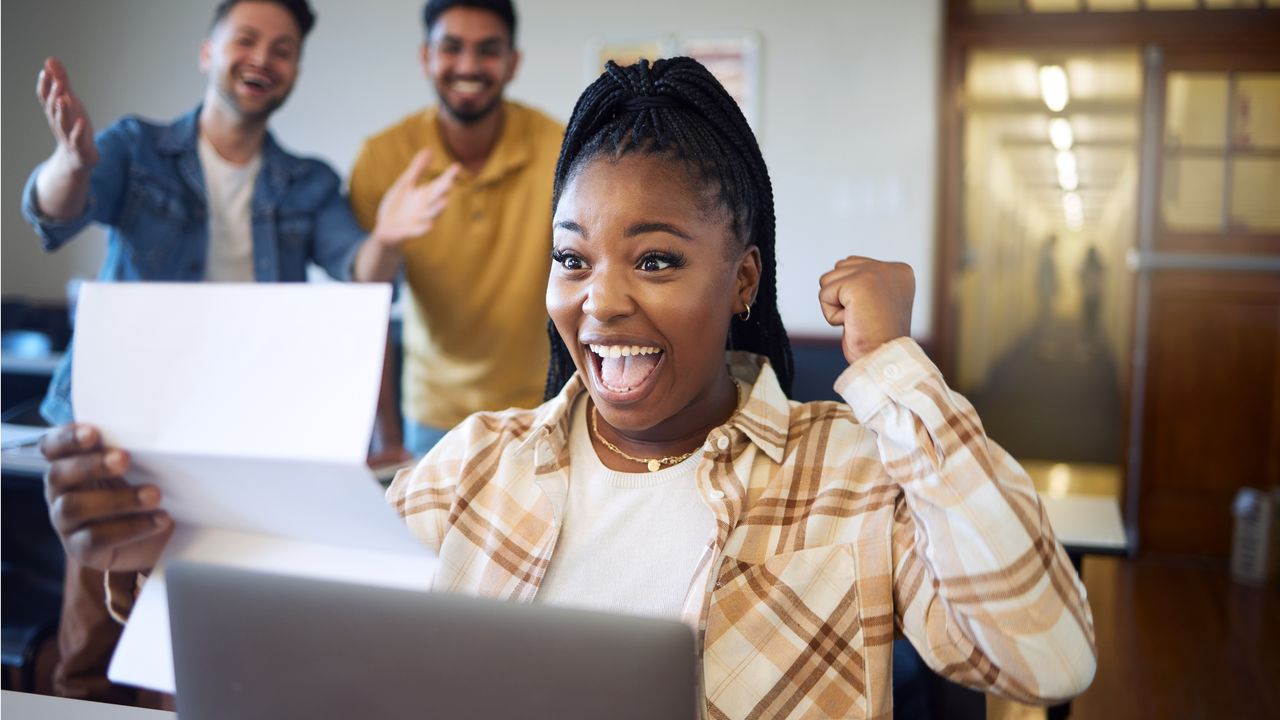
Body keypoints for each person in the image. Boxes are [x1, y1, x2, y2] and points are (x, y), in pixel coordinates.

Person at [40, 58, 1097, 717]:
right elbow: (291, 653)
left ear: (741, 281)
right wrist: (139, 559)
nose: (601, 303)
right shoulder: (474, 463)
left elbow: (1044, 654)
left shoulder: (848, 473)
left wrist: (893, 374)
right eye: (572, 258)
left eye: (655, 260)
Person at [22, 0, 449, 702]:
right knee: (90, 651)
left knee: (198, 647)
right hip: (119, 432)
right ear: (207, 51)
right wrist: (68, 163)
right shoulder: (135, 147)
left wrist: (391, 237)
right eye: (246, 39)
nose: (263, 58)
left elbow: (358, 272)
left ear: (295, 71)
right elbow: (56, 210)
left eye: (282, 49)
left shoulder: (307, 181)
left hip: (241, 442)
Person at [348, 0, 565, 461]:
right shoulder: (383, 157)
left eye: (487, 50)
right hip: (431, 415)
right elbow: (367, 301)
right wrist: (387, 439)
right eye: (452, 48)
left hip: (542, 406)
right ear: (426, 57)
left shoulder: (560, 147)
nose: (468, 65)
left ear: (512, 63)